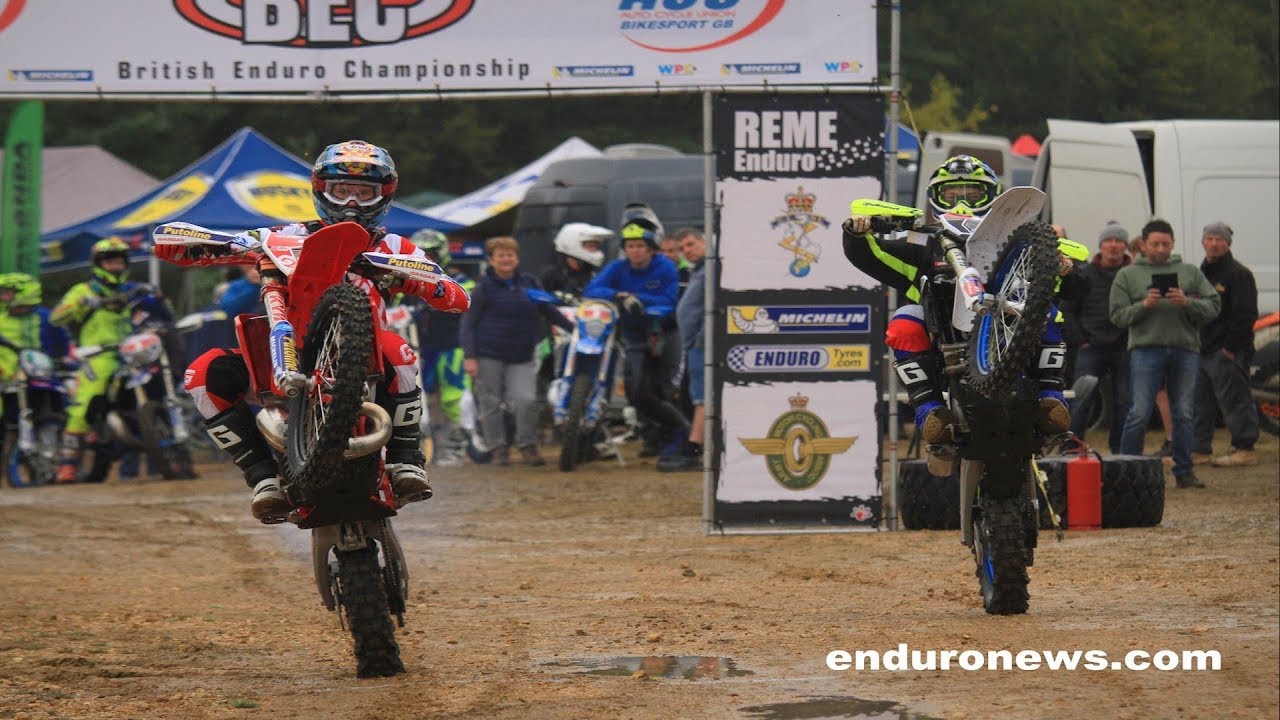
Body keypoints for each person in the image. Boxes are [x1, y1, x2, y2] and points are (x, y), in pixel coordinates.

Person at [156, 140, 470, 521]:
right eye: (342, 191)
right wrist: (214, 245)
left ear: (382, 196)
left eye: (363, 192)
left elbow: (457, 297)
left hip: (364, 353)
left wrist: (406, 275)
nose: (352, 202)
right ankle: (263, 478)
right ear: (322, 190)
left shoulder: (395, 245)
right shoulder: (282, 234)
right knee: (202, 374)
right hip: (288, 346)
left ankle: (406, 461)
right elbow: (168, 243)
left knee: (398, 350)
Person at [843, 155, 1072, 450]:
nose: (962, 203)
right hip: (940, 330)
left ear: (992, 196)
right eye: (951, 195)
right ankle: (930, 411)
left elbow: (1054, 282)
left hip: (1006, 327)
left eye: (972, 193)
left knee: (1049, 313)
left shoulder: (1016, 239)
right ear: (936, 198)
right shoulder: (922, 242)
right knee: (903, 322)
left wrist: (1062, 266)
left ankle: (1050, 396)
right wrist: (856, 235)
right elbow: (873, 256)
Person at [1110, 219, 1220, 488]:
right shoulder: (1127, 275)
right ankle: (1127, 470)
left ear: (1173, 244)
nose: (1160, 249)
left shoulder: (1190, 272)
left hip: (1185, 350)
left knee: (1183, 412)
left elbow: (1214, 306)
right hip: (1145, 350)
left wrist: (1187, 302)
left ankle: (1184, 471)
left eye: (1166, 244)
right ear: (1143, 245)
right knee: (1139, 411)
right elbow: (1117, 316)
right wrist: (1143, 305)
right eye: (1155, 244)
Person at [50, 239, 166, 483]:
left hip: (132, 351)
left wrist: (154, 295)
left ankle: (172, 454)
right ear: (99, 264)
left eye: (119, 261)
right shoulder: (84, 290)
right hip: (99, 355)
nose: (115, 266)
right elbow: (56, 318)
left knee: (158, 392)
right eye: (110, 261)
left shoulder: (132, 288)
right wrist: (79, 304)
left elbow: (160, 308)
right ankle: (68, 464)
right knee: (84, 405)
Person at [583, 203, 689, 453]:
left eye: (640, 246)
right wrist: (619, 295)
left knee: (663, 389)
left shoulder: (665, 267)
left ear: (651, 249)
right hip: (634, 338)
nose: (636, 251)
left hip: (664, 334)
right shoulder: (617, 268)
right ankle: (671, 432)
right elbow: (591, 291)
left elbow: (669, 300)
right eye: (630, 246)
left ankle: (676, 437)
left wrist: (641, 301)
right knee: (637, 390)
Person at [460, 236, 573, 466]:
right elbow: (468, 323)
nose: (506, 259)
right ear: (491, 260)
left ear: (517, 258)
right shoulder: (483, 287)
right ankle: (498, 448)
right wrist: (469, 356)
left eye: (510, 254)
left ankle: (527, 445)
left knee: (526, 400)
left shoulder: (530, 283)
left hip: (522, 354)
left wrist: (575, 329)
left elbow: (548, 310)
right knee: (490, 402)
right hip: (488, 354)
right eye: (500, 255)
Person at [1193, 221, 1260, 467]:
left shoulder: (1238, 274)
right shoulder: (1200, 274)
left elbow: (1245, 316)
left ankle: (1245, 448)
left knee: (1235, 401)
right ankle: (1199, 449)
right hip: (1202, 349)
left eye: (1219, 239)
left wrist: (1230, 348)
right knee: (1200, 403)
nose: (1214, 243)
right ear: (1203, 242)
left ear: (1228, 243)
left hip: (1228, 351)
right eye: (1209, 238)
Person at [1062, 221, 1133, 453]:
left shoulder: (1133, 274)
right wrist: (1080, 340)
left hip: (1125, 348)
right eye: (1109, 241)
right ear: (1101, 245)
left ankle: (1119, 450)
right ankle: (1073, 447)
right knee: (1082, 398)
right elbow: (1068, 310)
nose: (1113, 246)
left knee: (1124, 401)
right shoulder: (1084, 274)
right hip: (1090, 347)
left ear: (1125, 246)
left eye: (1118, 241)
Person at [407, 228, 476, 468]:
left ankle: (460, 446)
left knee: (453, 400)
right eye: (424, 254)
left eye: (433, 253)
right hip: (417, 349)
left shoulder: (458, 279)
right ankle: (421, 447)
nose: (429, 258)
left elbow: (469, 300)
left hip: (451, 347)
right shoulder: (406, 281)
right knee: (417, 399)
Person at [0, 274, 73, 465]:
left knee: (70, 405)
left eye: (7, 293)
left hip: (41, 375)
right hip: (7, 378)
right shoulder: (2, 315)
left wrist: (65, 359)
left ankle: (69, 456)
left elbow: (63, 344)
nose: (3, 297)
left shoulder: (45, 317)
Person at [659, 228, 706, 472]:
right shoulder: (698, 271)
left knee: (702, 398)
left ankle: (693, 450)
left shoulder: (711, 269)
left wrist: (701, 337)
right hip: (694, 344)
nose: (687, 251)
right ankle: (695, 447)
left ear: (703, 241)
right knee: (696, 396)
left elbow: (713, 308)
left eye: (691, 244)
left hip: (702, 344)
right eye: (683, 248)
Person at [541, 222, 611, 299]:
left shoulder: (595, 274)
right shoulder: (551, 275)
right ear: (572, 244)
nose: (594, 250)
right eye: (590, 246)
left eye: (596, 246)